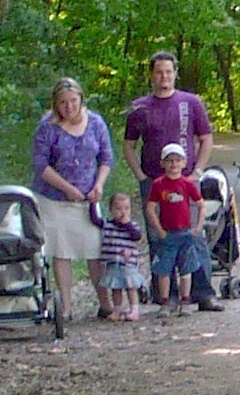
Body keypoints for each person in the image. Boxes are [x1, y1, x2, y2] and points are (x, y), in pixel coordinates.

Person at [122, 51, 224, 312]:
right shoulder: (140, 108)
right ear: (151, 75)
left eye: (168, 71)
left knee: (194, 236)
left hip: (185, 180)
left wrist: (197, 172)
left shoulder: (191, 103)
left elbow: (206, 138)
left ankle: (203, 293)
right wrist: (141, 176)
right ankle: (167, 297)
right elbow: (129, 145)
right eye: (158, 72)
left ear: (175, 73)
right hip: (155, 182)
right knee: (159, 237)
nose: (164, 77)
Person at [31, 77, 113, 321]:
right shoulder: (47, 127)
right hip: (55, 198)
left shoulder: (96, 123)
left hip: (88, 199)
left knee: (95, 249)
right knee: (61, 251)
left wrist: (99, 184)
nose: (69, 107)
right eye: (63, 102)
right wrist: (66, 188)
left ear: (81, 99)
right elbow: (41, 165)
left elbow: (106, 158)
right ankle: (65, 307)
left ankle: (105, 303)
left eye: (73, 101)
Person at [146, 144, 207, 315]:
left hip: (185, 232)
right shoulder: (158, 184)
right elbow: (150, 208)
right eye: (170, 161)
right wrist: (159, 229)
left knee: (186, 269)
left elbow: (201, 206)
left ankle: (185, 301)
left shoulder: (187, 184)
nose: (174, 164)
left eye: (177, 160)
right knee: (164, 269)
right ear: (163, 163)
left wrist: (198, 227)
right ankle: (165, 302)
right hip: (167, 233)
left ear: (184, 163)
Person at [97, 193, 146, 321]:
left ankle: (134, 310)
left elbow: (137, 236)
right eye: (118, 209)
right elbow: (95, 220)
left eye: (126, 208)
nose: (123, 212)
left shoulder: (132, 225)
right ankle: (117, 311)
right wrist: (93, 203)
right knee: (116, 288)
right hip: (113, 262)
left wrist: (127, 224)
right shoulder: (108, 225)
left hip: (128, 263)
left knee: (131, 287)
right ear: (111, 210)